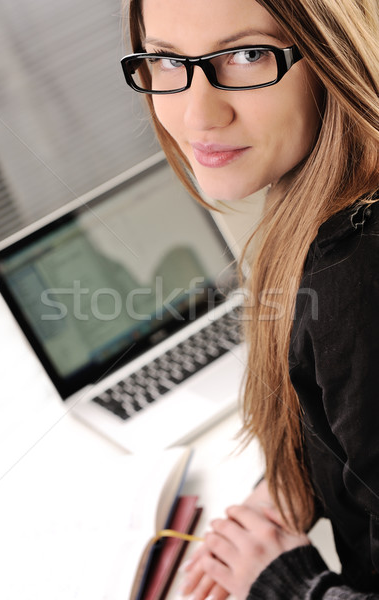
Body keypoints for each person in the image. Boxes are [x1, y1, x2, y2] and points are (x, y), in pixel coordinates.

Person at [121, 0, 379, 598]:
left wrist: (289, 584)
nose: (197, 113)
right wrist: (297, 484)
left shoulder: (356, 276)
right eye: (164, 59)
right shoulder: (323, 218)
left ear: (331, 53)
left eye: (248, 54)